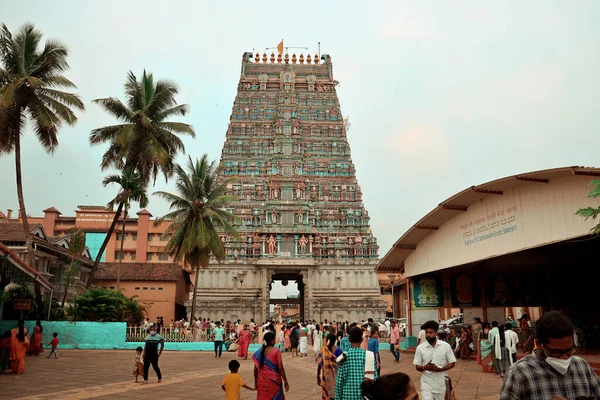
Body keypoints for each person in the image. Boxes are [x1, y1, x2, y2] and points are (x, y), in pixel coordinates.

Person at [501, 311, 600, 399]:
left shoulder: (582, 366)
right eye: (556, 352)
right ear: (539, 344)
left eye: (569, 350)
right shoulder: (519, 374)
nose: (565, 357)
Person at [413, 320, 456, 400]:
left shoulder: (445, 346)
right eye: (427, 333)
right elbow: (417, 367)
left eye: (431, 332)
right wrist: (424, 367)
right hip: (426, 384)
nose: (428, 335)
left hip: (441, 384)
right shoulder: (420, 348)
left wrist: (441, 369)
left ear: (436, 333)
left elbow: (452, 363)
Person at [335, 326, 377, 400]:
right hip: (364, 397)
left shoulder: (343, 357)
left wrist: (338, 398)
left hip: (347, 397)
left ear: (349, 339)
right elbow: (375, 379)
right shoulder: (369, 356)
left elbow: (339, 383)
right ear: (362, 339)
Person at [253, 332, 289, 400]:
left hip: (262, 381)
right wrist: (285, 381)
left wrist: (256, 381)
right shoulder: (276, 351)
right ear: (272, 341)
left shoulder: (258, 352)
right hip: (274, 381)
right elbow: (280, 367)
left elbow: (255, 369)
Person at [317, 333, 342, 400]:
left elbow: (319, 364)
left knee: (327, 394)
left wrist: (318, 376)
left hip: (326, 376)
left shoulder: (323, 350)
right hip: (336, 376)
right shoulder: (338, 350)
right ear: (335, 341)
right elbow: (341, 364)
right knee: (335, 393)